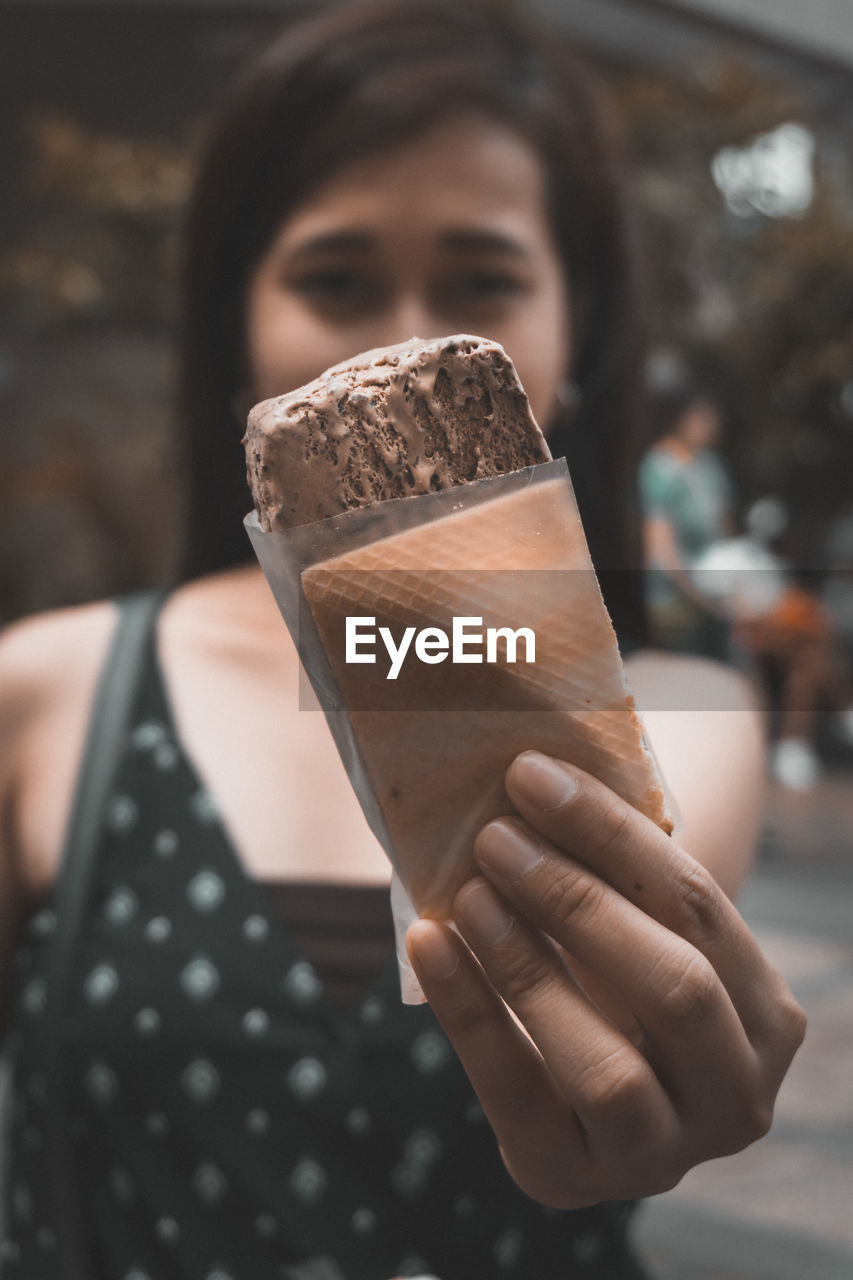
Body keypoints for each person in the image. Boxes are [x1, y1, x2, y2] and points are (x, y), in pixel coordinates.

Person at [0, 3, 805, 1278]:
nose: (403, 336)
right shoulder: (47, 693)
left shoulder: (681, 709)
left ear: (576, 337)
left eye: (482, 280)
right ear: (236, 335)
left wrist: (650, 1084)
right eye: (335, 278)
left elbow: (603, 1027)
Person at [638, 377, 736, 661]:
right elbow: (661, 551)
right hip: (674, 600)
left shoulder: (713, 467)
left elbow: (726, 535)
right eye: (701, 415)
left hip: (717, 592)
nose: (710, 423)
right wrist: (700, 600)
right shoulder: (659, 468)